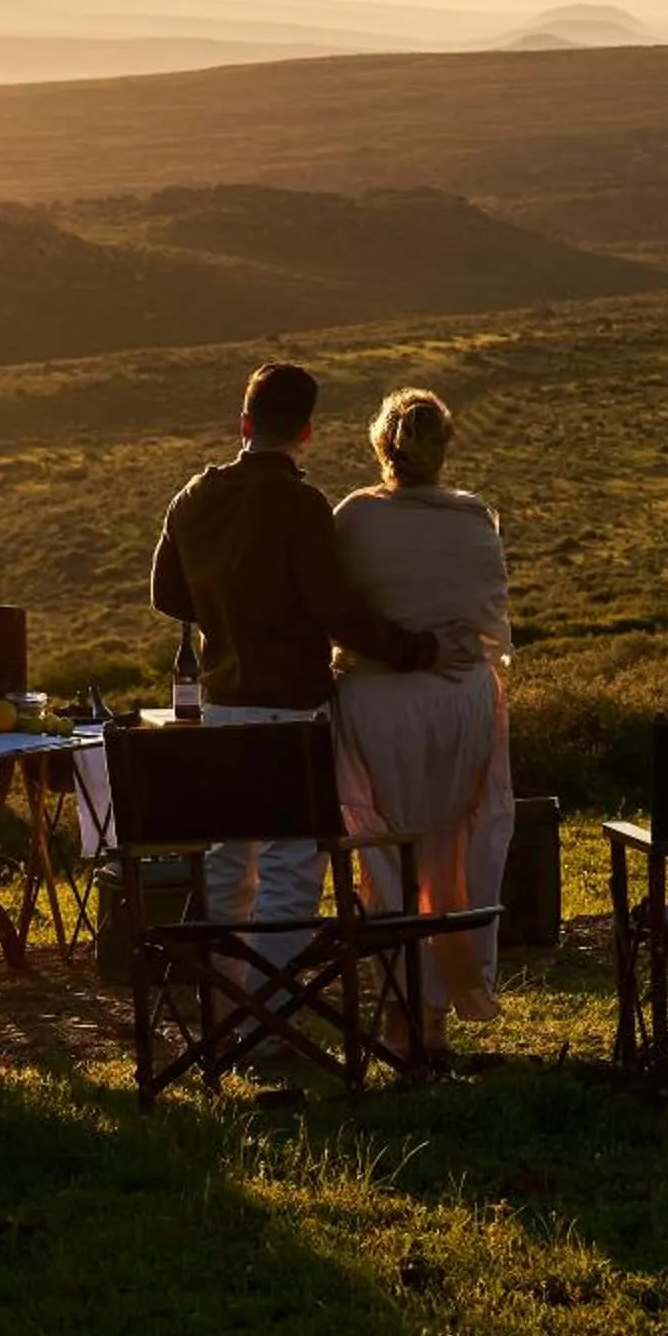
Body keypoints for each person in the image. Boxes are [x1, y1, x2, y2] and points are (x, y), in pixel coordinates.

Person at [150, 363, 446, 976]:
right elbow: (338, 612)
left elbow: (167, 595)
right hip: (292, 710)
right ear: (306, 432)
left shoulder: (193, 498)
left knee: (228, 861)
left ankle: (229, 1010)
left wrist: (221, 613)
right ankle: (268, 1013)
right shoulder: (301, 505)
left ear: (244, 423)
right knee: (291, 866)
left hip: (222, 706)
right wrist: (414, 650)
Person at [330, 389, 513, 1049]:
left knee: (385, 858)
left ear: (382, 446)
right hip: (462, 702)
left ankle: (402, 1009)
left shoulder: (355, 517)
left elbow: (338, 606)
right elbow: (491, 612)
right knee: (453, 852)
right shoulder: (474, 518)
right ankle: (434, 1009)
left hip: (381, 704)